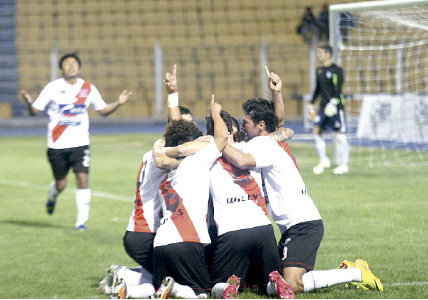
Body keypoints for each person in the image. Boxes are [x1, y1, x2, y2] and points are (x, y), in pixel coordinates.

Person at [222, 98, 383, 294]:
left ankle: (356, 273)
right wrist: (277, 94)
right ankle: (347, 270)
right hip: (293, 227)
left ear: (261, 125)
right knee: (271, 287)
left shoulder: (264, 145)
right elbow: (278, 126)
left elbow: (242, 160)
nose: (244, 126)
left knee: (290, 283)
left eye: (246, 122)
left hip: (303, 225)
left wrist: (219, 142)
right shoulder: (265, 142)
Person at [20, 53, 132, 231]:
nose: (71, 66)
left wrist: (118, 102)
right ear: (61, 69)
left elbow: (102, 110)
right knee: (61, 184)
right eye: (66, 64)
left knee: (82, 179)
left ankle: (81, 222)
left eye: (74, 64)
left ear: (79, 68)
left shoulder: (88, 88)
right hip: (56, 144)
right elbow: (34, 110)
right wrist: (29, 102)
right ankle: (53, 195)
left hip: (80, 143)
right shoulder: (52, 88)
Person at [151, 96, 229, 299]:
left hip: (160, 244)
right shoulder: (198, 160)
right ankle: (175, 288)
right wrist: (215, 111)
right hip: (186, 240)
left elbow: (177, 147)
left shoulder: (168, 173)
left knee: (161, 292)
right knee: (202, 294)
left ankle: (129, 286)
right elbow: (221, 139)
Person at [308, 45, 350, 175]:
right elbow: (318, 89)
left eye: (320, 53)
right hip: (323, 107)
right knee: (317, 131)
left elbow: (338, 89)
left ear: (327, 54)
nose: (318, 55)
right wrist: (311, 103)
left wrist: (334, 102)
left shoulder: (337, 70)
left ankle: (344, 164)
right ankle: (324, 159)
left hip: (335, 107)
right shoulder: (319, 70)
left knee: (340, 136)